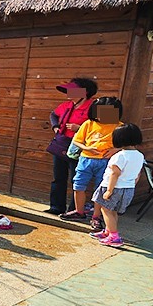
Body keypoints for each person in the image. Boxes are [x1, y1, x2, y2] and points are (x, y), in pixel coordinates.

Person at [60, 96, 123, 230]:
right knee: (78, 185)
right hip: (85, 159)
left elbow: (127, 144)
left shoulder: (119, 126)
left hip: (106, 161)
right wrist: (86, 148)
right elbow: (77, 141)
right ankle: (79, 211)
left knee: (100, 189)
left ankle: (96, 216)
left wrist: (116, 149)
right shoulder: (88, 124)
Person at [47, 77, 98, 215]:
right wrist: (55, 127)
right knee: (58, 177)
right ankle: (56, 207)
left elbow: (105, 126)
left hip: (80, 148)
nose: (69, 93)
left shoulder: (96, 106)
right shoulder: (66, 105)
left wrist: (79, 128)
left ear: (85, 92)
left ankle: (74, 210)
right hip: (62, 144)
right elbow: (53, 114)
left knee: (77, 180)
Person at [89, 123, 145, 248]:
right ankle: (108, 231)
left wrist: (109, 191)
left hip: (113, 187)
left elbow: (115, 173)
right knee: (113, 210)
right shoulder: (139, 155)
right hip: (128, 188)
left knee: (105, 209)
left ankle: (114, 237)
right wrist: (131, 185)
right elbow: (138, 173)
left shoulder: (120, 156)